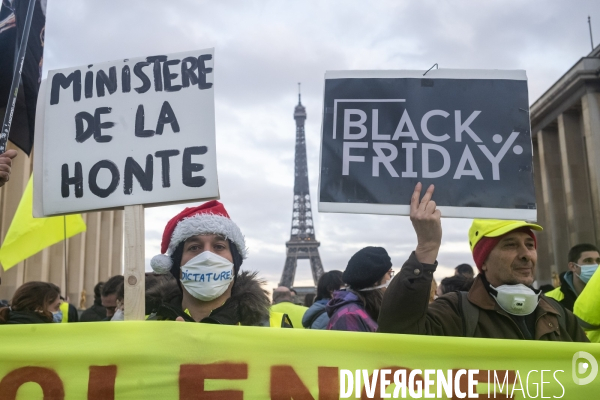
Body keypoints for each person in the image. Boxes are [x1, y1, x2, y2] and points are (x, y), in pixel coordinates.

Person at [378, 183, 588, 342]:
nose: (526, 255)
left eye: (529, 245)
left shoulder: (559, 315)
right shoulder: (456, 311)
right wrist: (427, 247)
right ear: (483, 261)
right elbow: (397, 334)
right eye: (510, 245)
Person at [148, 200, 278, 326]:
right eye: (194, 247)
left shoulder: (277, 326)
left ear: (235, 261)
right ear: (177, 264)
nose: (207, 257)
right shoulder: (142, 322)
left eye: (219, 246)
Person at [327, 247, 393, 332]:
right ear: (376, 279)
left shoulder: (358, 310)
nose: (390, 278)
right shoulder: (350, 315)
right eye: (389, 273)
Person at [545, 243, 600, 311]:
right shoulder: (549, 299)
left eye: (598, 261)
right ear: (573, 266)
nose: (596, 265)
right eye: (588, 261)